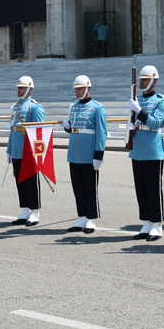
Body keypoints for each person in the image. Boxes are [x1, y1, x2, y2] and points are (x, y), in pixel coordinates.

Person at [127, 66, 164, 241]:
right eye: (141, 79)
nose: (141, 82)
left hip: (153, 150)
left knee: (153, 189)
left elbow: (156, 123)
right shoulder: (136, 99)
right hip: (137, 149)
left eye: (144, 79)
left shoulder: (161, 101)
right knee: (141, 189)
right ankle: (146, 222)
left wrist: (139, 111)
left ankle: (157, 224)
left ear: (153, 81)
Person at [63, 75, 107, 234]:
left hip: (89, 154)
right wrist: (68, 127)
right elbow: (74, 128)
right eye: (76, 89)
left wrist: (98, 155)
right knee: (78, 187)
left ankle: (91, 218)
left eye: (80, 89)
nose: (77, 92)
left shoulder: (97, 108)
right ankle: (81, 216)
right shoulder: (73, 106)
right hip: (75, 153)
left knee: (90, 188)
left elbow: (102, 133)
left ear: (88, 89)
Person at [7, 76, 45, 226]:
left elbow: (40, 131)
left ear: (29, 89)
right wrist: (9, 149)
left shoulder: (35, 107)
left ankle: (34, 210)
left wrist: (37, 153)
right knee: (20, 180)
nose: (19, 90)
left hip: (29, 150)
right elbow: (12, 129)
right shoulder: (15, 107)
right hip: (17, 148)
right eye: (18, 88)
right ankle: (25, 209)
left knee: (31, 181)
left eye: (21, 88)